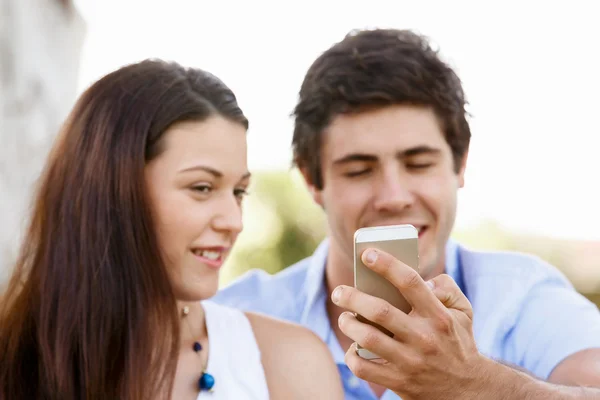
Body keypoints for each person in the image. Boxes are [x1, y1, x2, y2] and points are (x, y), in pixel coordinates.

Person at [212, 28, 600, 399]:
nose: (394, 197)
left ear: (460, 164)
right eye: (359, 170)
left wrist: (474, 383)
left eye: (418, 164)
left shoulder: (525, 299)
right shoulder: (234, 318)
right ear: (313, 181)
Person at [0, 59, 344, 400]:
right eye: (202, 188)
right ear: (114, 194)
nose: (234, 221)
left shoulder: (290, 364)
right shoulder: (15, 360)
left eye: (239, 192)